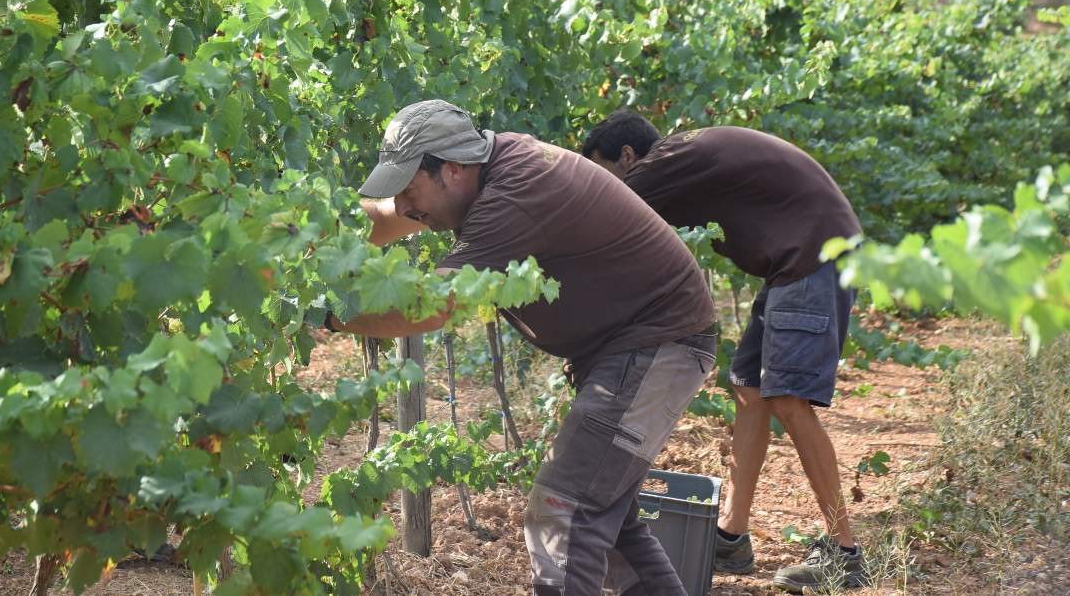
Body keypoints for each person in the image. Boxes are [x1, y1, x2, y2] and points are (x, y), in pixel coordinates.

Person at [336, 99, 719, 596]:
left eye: (410, 188)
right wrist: (321, 232)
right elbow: (389, 216)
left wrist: (331, 312)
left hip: (656, 344)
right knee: (609, 524)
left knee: (562, 512)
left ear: (452, 169)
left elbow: (430, 306)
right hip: (638, 346)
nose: (407, 207)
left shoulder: (511, 194)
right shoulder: (487, 167)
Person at [582, 111, 865, 594]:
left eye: (601, 170)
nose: (605, 183)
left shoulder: (659, 165)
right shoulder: (683, 159)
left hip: (813, 256)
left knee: (789, 401)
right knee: (750, 389)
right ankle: (731, 537)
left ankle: (844, 555)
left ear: (627, 157)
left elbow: (596, 220)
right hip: (796, 261)